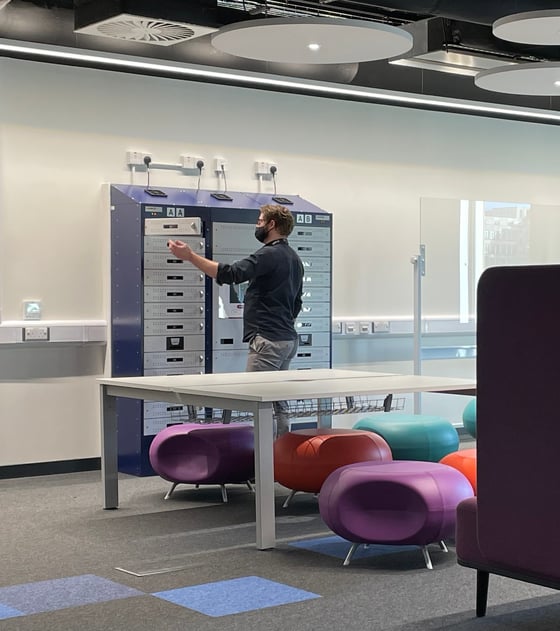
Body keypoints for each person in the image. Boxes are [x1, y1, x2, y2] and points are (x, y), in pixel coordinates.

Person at [168, 204, 304, 437]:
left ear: (272, 225)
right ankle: (281, 462)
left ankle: (265, 466)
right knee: (278, 404)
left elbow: (230, 274)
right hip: (287, 339)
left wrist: (190, 256)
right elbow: (297, 303)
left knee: (260, 403)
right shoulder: (294, 258)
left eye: (260, 221)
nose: (257, 225)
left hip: (267, 341)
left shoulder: (268, 254)